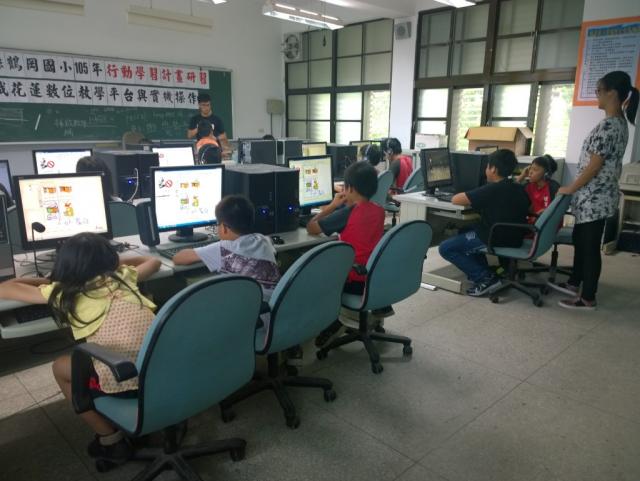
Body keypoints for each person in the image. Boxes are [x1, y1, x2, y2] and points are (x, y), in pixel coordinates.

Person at [0, 233, 161, 464]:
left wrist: (46, 280)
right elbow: (152, 261)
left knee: (59, 368)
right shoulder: (124, 277)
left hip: (124, 383)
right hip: (160, 375)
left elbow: (5, 288)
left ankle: (110, 440)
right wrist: (115, 264)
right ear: (111, 260)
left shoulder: (63, 291)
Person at [550, 71, 639, 311]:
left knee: (589, 247)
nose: (596, 96)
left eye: (599, 91)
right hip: (594, 196)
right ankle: (574, 282)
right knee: (581, 240)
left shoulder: (610, 125)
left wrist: (569, 188)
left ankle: (587, 297)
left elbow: (594, 166)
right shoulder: (618, 122)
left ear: (612, 93)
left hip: (595, 197)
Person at [306, 162, 385, 343]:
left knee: (310, 273)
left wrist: (332, 205)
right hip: (373, 277)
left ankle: (333, 321)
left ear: (350, 189)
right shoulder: (379, 211)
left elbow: (311, 227)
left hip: (352, 279)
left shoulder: (347, 213)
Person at [439, 149, 530, 296]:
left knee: (446, 248)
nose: (486, 169)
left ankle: (485, 278)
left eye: (487, 166)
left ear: (493, 169)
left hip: (495, 236)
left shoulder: (492, 189)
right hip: (514, 236)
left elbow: (456, 199)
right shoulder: (518, 187)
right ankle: (484, 271)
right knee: (464, 231)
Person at [173, 195, 280, 302]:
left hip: (251, 310)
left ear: (224, 227)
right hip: (271, 307)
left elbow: (178, 258)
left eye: (217, 224)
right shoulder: (264, 240)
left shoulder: (223, 248)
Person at [516, 154, 559, 224]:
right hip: (529, 224)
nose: (530, 172)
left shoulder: (553, 187)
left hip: (545, 224)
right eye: (530, 168)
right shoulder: (528, 186)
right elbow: (511, 192)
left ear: (546, 173)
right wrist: (522, 176)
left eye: (535, 170)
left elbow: (558, 209)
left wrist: (545, 212)